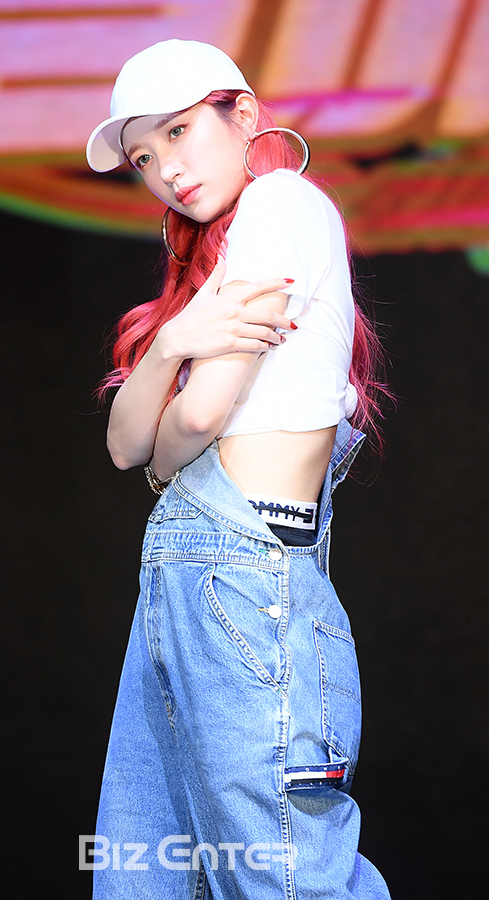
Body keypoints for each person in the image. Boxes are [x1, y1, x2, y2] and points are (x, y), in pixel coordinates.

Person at [85, 39, 391, 900]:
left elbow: (189, 421)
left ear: (244, 115)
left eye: (179, 132)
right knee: (147, 873)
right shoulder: (214, 273)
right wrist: (172, 345)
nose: (167, 171)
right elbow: (123, 443)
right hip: (191, 577)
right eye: (144, 158)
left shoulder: (282, 202)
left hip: (238, 569)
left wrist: (167, 435)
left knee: (282, 876)